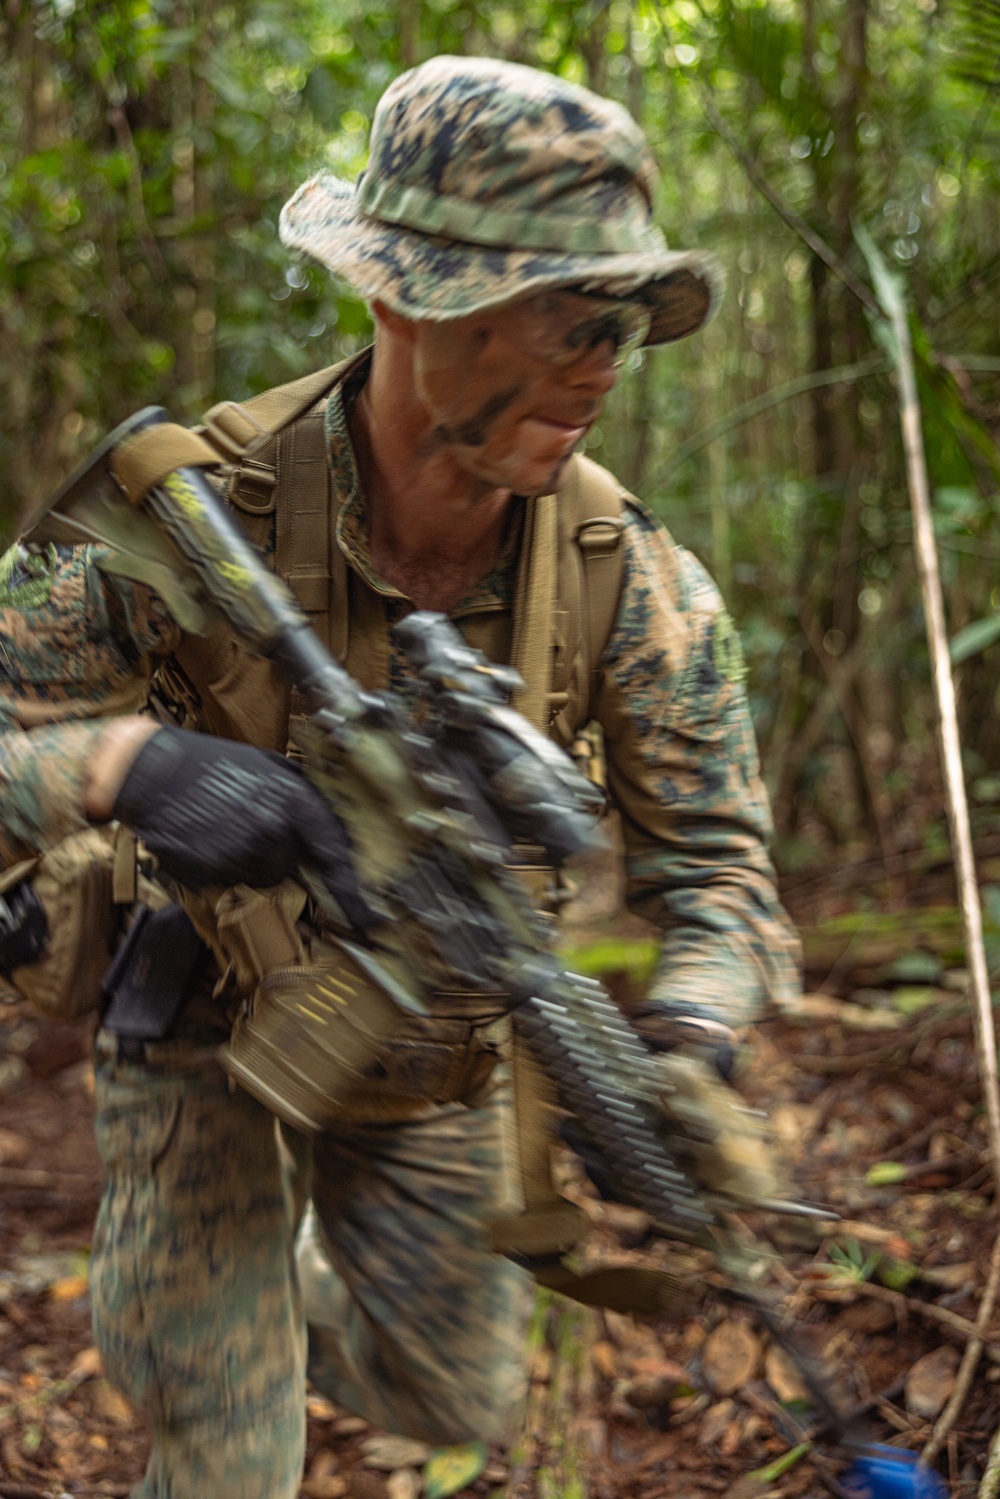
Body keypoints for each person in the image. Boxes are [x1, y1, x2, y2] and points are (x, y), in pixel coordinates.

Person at [0, 54, 799, 1499]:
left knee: (458, 1394)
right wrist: (125, 764)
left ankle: (270, 1308)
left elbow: (723, 873)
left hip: (433, 1057)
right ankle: (213, 1345)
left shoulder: (636, 581)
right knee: (230, 1455)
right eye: (558, 313)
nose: (602, 362)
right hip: (197, 1021)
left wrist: (687, 1043)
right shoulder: (192, 516)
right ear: (399, 298)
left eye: (623, 323)